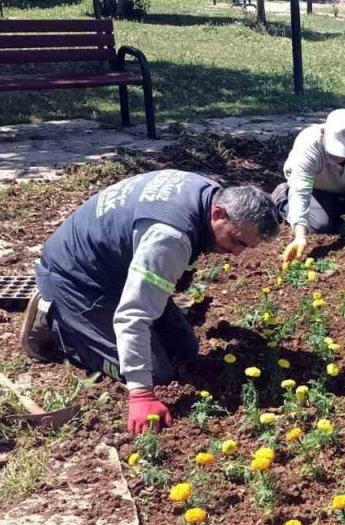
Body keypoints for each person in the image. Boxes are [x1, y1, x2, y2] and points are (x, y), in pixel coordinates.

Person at [19, 170, 279, 434]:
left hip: (113, 269)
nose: (237, 253)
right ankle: (55, 321)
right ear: (219, 213)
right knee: (153, 373)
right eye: (236, 240)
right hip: (76, 280)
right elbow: (133, 316)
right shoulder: (170, 236)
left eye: (246, 247)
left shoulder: (208, 192)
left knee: (185, 351)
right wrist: (141, 394)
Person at [273, 109, 345, 263]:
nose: (339, 157)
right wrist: (300, 236)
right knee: (321, 225)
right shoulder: (308, 146)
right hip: (317, 189)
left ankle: (339, 210)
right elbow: (301, 190)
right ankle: (282, 197)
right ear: (323, 134)